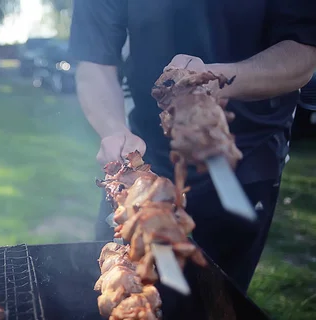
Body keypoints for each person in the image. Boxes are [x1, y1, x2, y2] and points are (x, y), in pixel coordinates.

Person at [69, 0, 316, 294]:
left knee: (216, 306)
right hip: (142, 158)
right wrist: (113, 129)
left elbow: (302, 53)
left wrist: (215, 79)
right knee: (121, 286)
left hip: (246, 159)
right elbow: (95, 60)